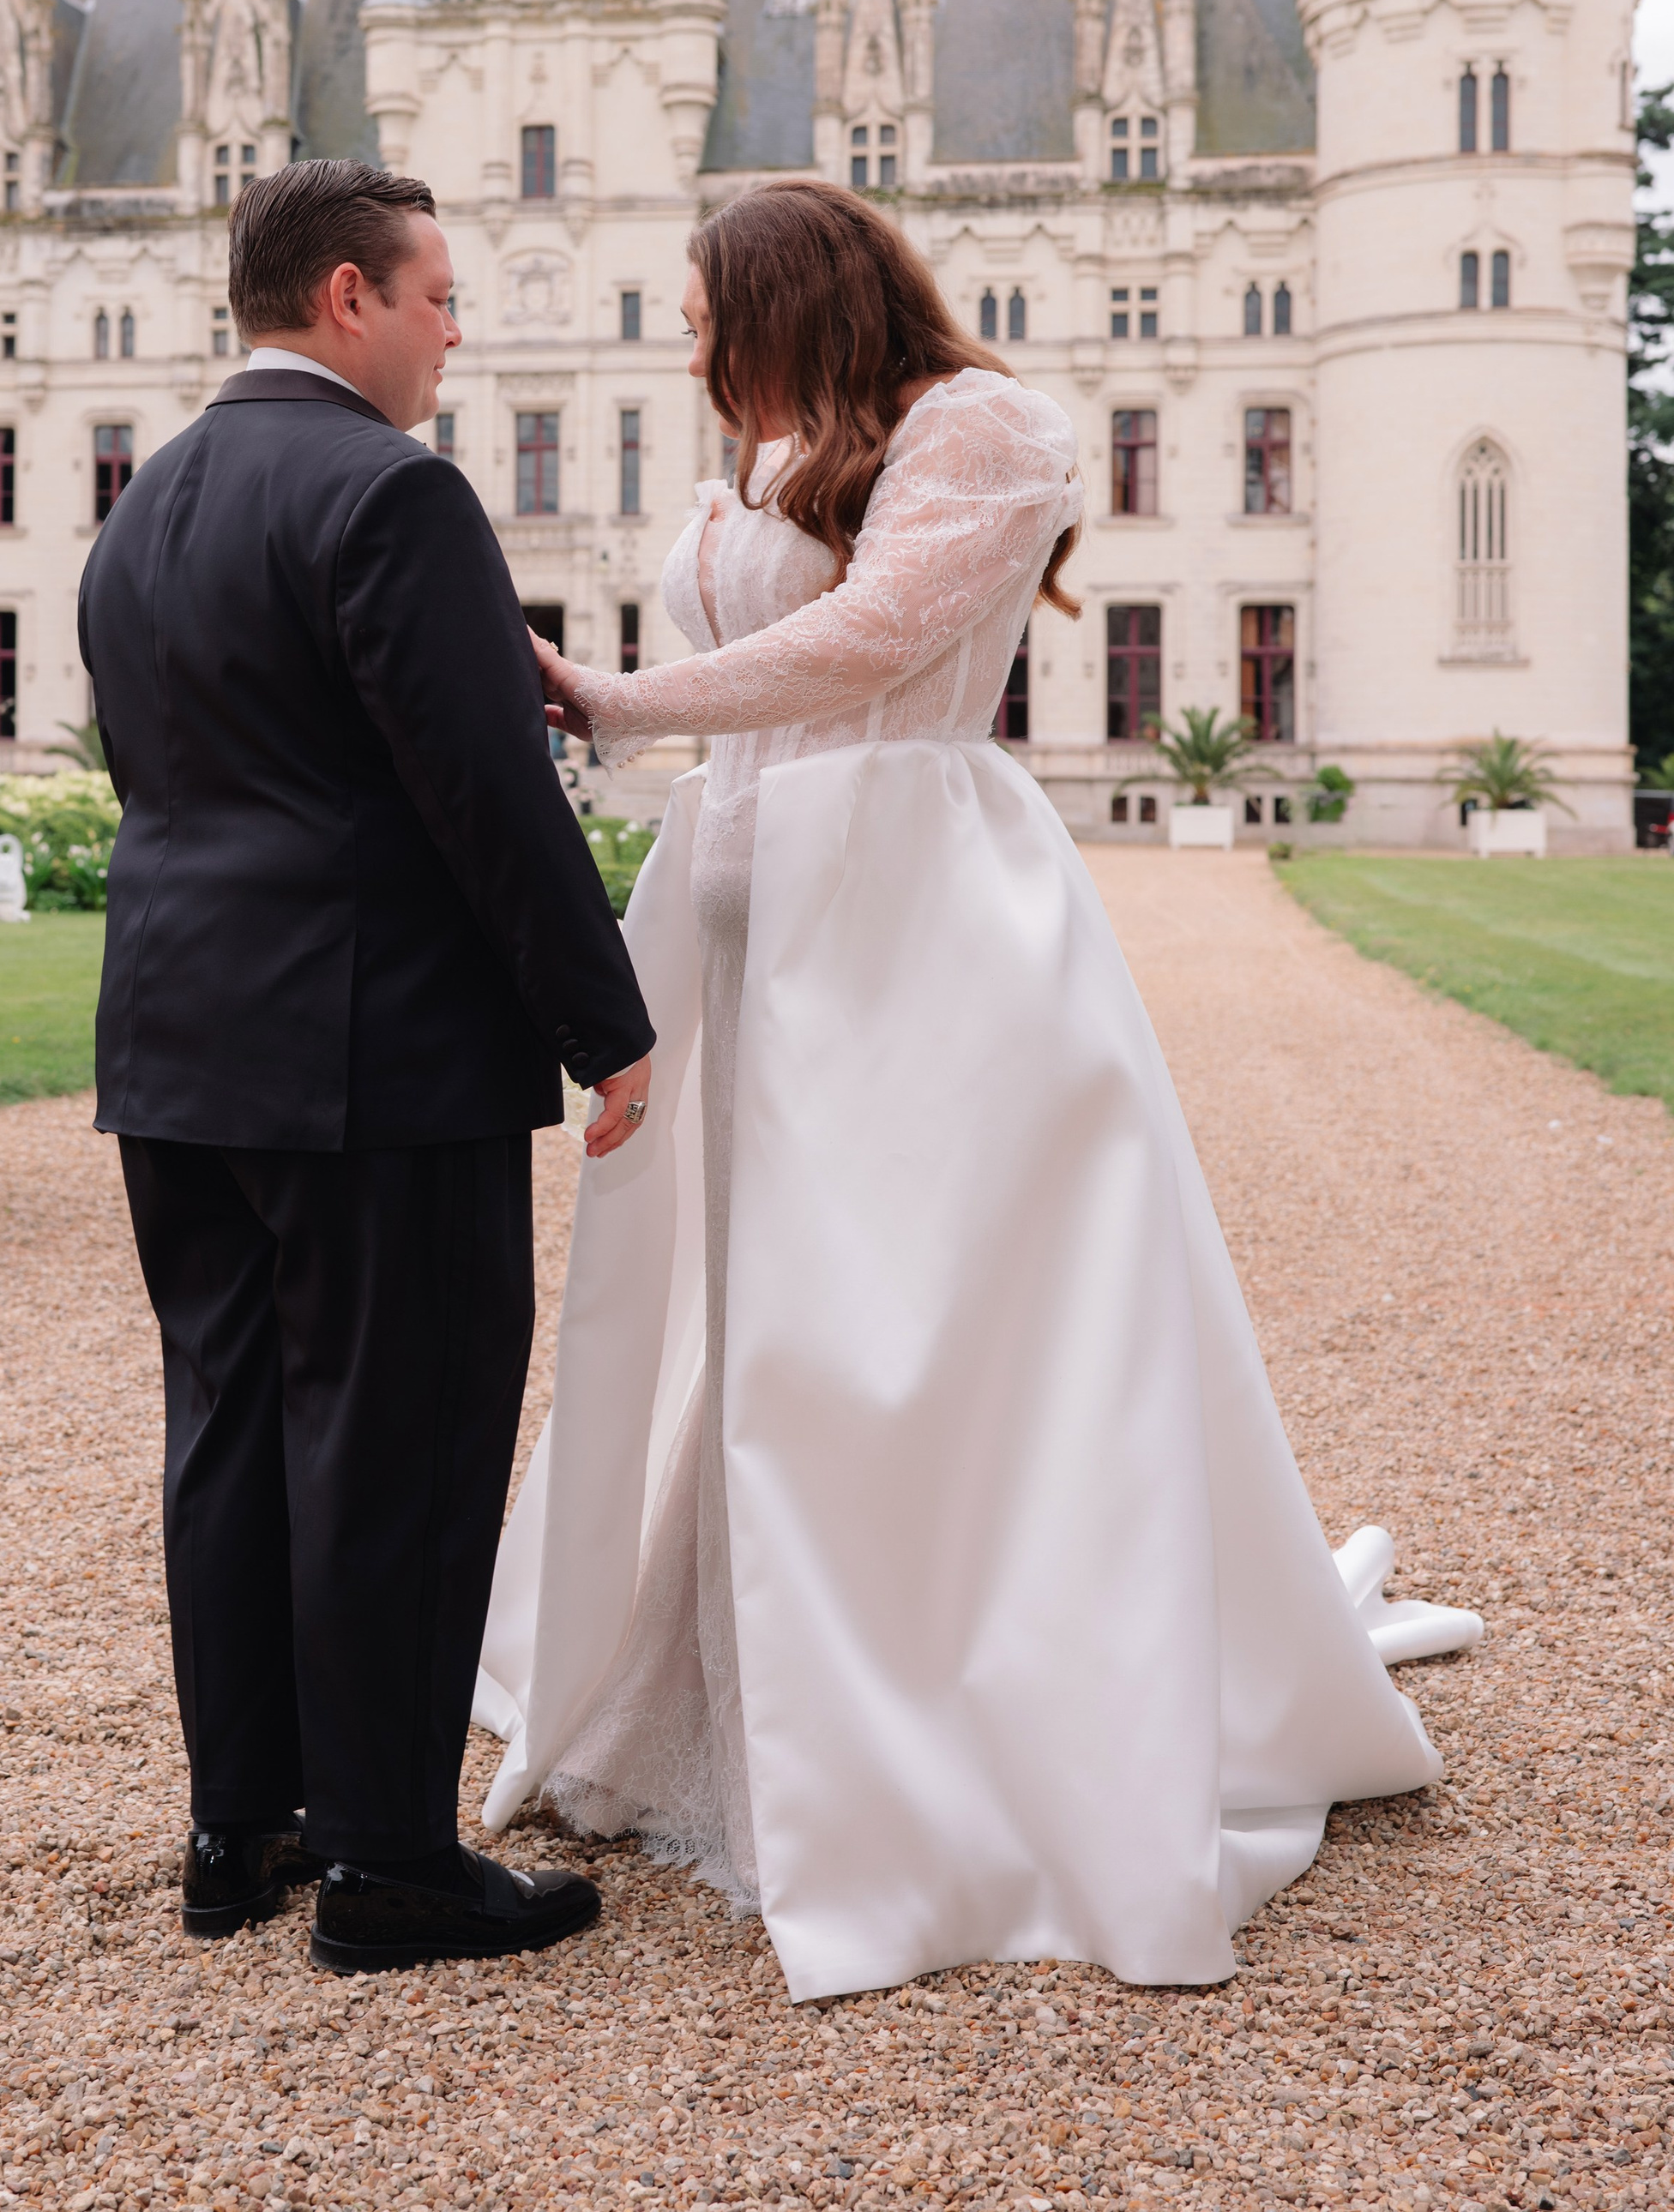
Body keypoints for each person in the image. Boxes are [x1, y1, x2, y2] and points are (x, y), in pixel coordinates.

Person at [482, 177, 1478, 2003]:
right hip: (755, 916)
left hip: (914, 918)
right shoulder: (771, 460)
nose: (690, 350)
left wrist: (626, 699)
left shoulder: (983, 429)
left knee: (923, 1313)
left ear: (796, 299)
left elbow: (875, 639)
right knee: (762, 1316)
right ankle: (753, 1696)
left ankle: (960, 1719)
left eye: (709, 311)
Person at [78, 155, 656, 1973]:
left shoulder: (143, 507)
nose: (452, 331)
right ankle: (391, 1861)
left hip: (177, 1045)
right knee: (394, 1439)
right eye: (432, 296)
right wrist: (605, 1025)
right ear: (344, 298)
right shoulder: (393, 498)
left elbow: (169, 779)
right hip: (373, 1054)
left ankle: (242, 1829)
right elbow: (480, 797)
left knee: (231, 1430)